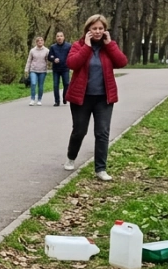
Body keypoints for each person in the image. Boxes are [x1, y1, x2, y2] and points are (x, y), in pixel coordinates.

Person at [63, 14, 128, 182]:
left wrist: (110, 44)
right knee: (79, 131)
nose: (98, 31)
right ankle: (71, 157)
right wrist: (86, 46)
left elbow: (122, 62)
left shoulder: (108, 47)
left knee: (102, 133)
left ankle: (101, 169)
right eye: (94, 29)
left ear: (105, 30)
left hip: (103, 98)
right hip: (81, 98)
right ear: (88, 30)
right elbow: (72, 64)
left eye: (101, 28)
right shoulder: (78, 45)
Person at [47, 31, 71, 107]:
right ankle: (57, 101)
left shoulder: (69, 46)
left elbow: (72, 55)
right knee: (55, 85)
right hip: (56, 69)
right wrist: (54, 59)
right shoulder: (53, 47)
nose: (59, 38)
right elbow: (49, 56)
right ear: (56, 38)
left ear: (63, 37)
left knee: (66, 84)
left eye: (61, 36)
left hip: (65, 68)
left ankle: (65, 97)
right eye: (58, 36)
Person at [25, 37, 50, 106]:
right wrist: (26, 69)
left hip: (42, 70)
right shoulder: (32, 51)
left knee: (40, 85)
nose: (40, 42)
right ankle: (32, 99)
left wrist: (48, 68)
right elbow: (29, 60)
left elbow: (48, 60)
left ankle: (39, 99)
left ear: (43, 42)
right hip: (33, 70)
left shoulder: (47, 50)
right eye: (38, 41)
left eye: (41, 40)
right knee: (33, 83)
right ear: (36, 42)